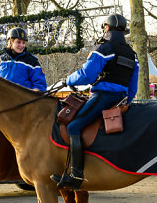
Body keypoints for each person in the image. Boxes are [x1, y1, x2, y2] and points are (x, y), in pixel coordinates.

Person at [52, 13, 139, 189]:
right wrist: (125, 101)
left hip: (102, 97)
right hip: (120, 99)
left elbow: (87, 75)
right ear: (123, 31)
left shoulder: (104, 48)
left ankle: (76, 175)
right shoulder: (132, 54)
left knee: (73, 127)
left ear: (106, 28)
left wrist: (68, 80)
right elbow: (133, 86)